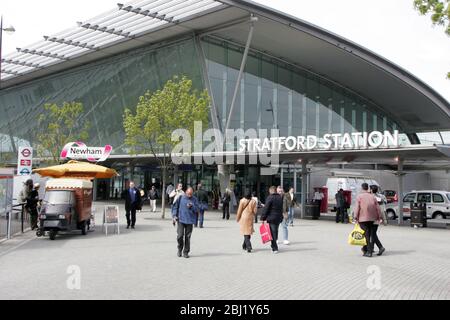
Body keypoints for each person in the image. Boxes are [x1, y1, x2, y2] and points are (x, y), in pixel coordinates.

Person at [354, 183, 382, 258]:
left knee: (366, 235)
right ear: (368, 188)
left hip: (362, 219)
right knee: (369, 234)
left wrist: (355, 217)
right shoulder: (372, 196)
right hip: (372, 219)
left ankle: (369, 252)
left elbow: (357, 208)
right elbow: (378, 208)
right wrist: (380, 217)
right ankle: (366, 250)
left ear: (362, 188)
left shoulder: (359, 196)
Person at [172, 187, 199, 258]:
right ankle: (179, 249)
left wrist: (192, 206)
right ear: (186, 192)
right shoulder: (180, 198)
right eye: (188, 194)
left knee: (188, 237)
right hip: (181, 220)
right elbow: (175, 207)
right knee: (180, 236)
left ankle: (186, 252)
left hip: (190, 221)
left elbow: (197, 209)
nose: (189, 195)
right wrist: (174, 216)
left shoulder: (195, 199)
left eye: (191, 194)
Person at [260, 186, 284, 254]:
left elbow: (266, 208)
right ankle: (274, 244)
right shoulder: (280, 197)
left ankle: (274, 248)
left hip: (272, 218)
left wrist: (263, 218)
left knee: (272, 233)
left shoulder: (270, 197)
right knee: (275, 231)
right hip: (279, 218)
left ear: (270, 191)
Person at [371, 185, 387, 256]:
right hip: (378, 218)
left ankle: (380, 247)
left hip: (371, 217)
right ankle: (371, 248)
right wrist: (384, 219)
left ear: (371, 190)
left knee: (372, 234)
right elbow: (383, 207)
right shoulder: (381, 197)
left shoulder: (370, 197)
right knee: (373, 233)